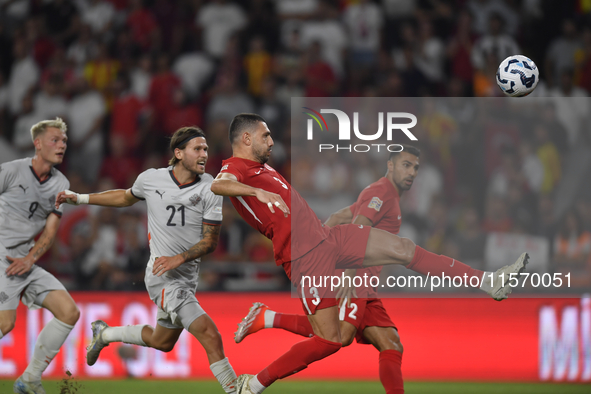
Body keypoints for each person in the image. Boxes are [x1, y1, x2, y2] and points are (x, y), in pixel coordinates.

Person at [210, 113, 529, 394]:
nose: (271, 140)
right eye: (265, 135)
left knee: (403, 249)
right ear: (247, 138)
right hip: (305, 258)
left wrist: (332, 221)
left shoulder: (263, 168)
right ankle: (252, 386)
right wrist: (256, 191)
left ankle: (490, 282)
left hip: (327, 239)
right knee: (332, 339)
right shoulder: (236, 168)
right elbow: (218, 185)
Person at [56, 127, 237, 394]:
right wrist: (81, 198)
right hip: (161, 276)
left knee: (162, 341)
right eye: (197, 149)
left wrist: (179, 258)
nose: (204, 154)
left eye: (206, 149)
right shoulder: (152, 179)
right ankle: (238, 390)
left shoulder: (211, 187)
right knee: (210, 334)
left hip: (185, 278)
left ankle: (104, 334)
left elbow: (210, 242)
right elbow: (125, 197)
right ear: (178, 153)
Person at [234, 146, 422, 394]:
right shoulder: (382, 193)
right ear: (390, 165)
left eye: (415, 167)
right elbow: (359, 228)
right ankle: (254, 383)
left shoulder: (386, 196)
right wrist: (346, 271)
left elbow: (337, 217)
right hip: (357, 276)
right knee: (338, 336)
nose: (411, 172)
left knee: (391, 344)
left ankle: (268, 318)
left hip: (363, 278)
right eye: (405, 165)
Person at [0, 118, 78, 394]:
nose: (61, 146)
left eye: (64, 141)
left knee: (69, 312)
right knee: (5, 323)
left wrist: (30, 259)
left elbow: (50, 231)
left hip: (25, 260)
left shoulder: (61, 182)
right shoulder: (11, 171)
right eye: (55, 140)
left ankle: (30, 379)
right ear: (38, 143)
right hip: (2, 257)